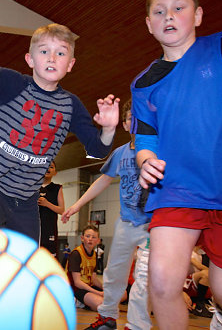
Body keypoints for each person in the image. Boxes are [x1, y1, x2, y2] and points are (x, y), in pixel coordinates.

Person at [131, 0, 222, 330]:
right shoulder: (144, 84)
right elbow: (146, 139)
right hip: (176, 190)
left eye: (178, 7)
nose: (168, 16)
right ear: (149, 24)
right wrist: (145, 161)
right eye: (159, 11)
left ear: (198, 15)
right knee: (161, 281)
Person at [0, 2, 119, 243]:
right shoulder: (13, 84)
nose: (52, 57)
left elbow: (97, 150)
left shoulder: (71, 105)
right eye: (44, 51)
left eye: (61, 53)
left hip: (27, 199)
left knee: (26, 264)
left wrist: (109, 128)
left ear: (70, 64)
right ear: (30, 59)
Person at [63, 99, 151, 330]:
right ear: (124, 124)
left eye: (142, 117)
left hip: (151, 225)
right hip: (125, 222)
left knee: (143, 277)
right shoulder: (120, 153)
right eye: (132, 117)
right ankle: (108, 317)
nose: (136, 122)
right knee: (113, 273)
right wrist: (77, 205)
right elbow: (103, 181)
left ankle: (137, 325)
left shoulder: (159, 148)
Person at [65, 225, 104, 311]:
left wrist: (106, 288)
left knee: (122, 294)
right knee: (100, 303)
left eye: (93, 237)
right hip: (76, 289)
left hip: (88, 286)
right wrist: (98, 293)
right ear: (82, 238)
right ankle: (78, 301)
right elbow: (77, 283)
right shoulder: (76, 254)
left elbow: (94, 279)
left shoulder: (94, 254)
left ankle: (88, 301)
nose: (90, 239)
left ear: (98, 241)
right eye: (87, 236)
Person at [38, 161, 64, 257]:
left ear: (55, 172)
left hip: (49, 229)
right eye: (45, 166)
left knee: (49, 258)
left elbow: (61, 210)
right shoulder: (32, 188)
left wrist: (47, 204)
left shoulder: (57, 188)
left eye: (51, 167)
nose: (48, 168)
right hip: (35, 228)